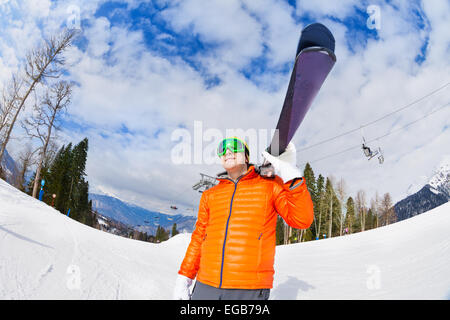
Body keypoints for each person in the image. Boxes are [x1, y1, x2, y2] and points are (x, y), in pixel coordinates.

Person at [173, 137, 314, 300]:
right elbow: (198, 239)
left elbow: (302, 220)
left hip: (248, 289)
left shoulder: (270, 185)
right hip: (206, 285)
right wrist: (184, 278)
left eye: (234, 147)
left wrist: (290, 173)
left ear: (246, 157)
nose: (228, 151)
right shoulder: (210, 195)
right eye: (222, 148)